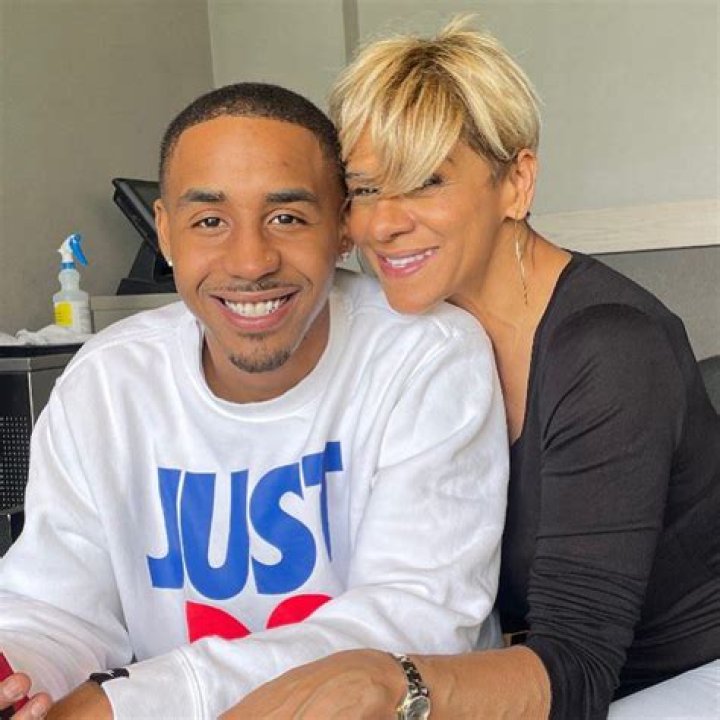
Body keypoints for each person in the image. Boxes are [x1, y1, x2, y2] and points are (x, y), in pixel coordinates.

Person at [223, 18, 720, 720]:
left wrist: (389, 683)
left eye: (425, 182)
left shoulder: (611, 349)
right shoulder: (417, 337)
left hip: (682, 669)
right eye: (364, 189)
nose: (382, 224)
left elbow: (578, 667)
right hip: (543, 665)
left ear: (516, 182)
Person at [0, 82, 510, 719]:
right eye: (210, 221)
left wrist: (129, 703)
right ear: (166, 232)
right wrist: (16, 667)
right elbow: (56, 607)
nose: (250, 262)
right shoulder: (106, 383)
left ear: (342, 227)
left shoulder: (427, 357)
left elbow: (409, 626)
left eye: (287, 218)